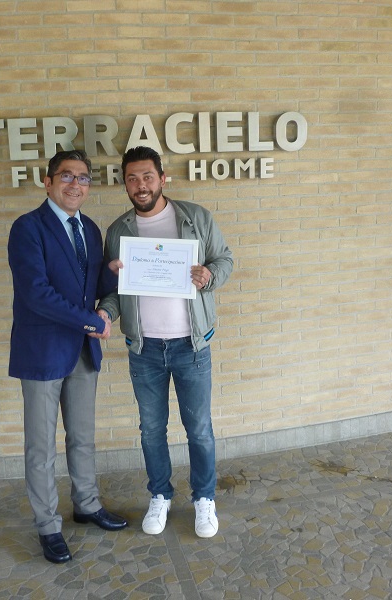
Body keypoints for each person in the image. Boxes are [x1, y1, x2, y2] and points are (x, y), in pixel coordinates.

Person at [97, 146, 233, 538]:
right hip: (145, 349)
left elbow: (225, 260)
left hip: (192, 346)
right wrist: (105, 312)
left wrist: (209, 275)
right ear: (125, 184)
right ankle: (160, 494)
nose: (140, 185)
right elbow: (114, 289)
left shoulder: (195, 218)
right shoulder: (118, 231)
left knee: (199, 429)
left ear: (162, 178)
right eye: (132, 179)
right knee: (151, 430)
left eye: (147, 177)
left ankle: (204, 498)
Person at [7, 149, 127, 564]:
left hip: (81, 352)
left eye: (83, 178)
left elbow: (94, 286)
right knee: (41, 448)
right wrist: (91, 323)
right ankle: (47, 526)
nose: (76, 184)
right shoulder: (28, 228)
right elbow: (36, 293)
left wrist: (114, 274)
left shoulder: (89, 229)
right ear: (48, 182)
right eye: (67, 176)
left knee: (82, 437)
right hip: (42, 351)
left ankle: (87, 504)